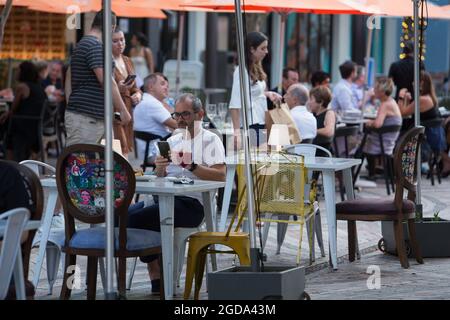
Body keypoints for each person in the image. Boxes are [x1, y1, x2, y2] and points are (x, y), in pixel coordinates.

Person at [128, 93, 226, 294]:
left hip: (194, 204)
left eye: (186, 114)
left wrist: (191, 165)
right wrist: (160, 167)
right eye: (177, 114)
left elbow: (221, 176)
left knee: (137, 219)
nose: (180, 119)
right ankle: (156, 271)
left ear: (200, 114)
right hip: (165, 197)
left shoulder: (210, 139)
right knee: (123, 216)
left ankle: (158, 276)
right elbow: (160, 177)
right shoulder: (173, 138)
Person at [64, 10, 130, 146]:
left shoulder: (82, 44)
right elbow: (107, 81)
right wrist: (123, 110)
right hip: (88, 119)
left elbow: (68, 77)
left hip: (88, 117)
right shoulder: (95, 46)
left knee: (90, 164)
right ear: (111, 27)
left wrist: (71, 104)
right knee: (81, 163)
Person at [229, 31, 282, 148]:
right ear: (252, 49)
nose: (266, 52)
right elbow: (235, 104)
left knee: (260, 161)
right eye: (263, 48)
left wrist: (267, 94)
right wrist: (237, 133)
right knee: (255, 162)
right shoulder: (241, 71)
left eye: (266, 48)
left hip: (260, 121)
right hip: (250, 125)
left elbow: (253, 94)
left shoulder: (256, 67)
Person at [0, 61, 46, 161]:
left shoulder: (22, 87)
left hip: (23, 126)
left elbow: (13, 109)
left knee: (6, 122)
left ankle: (8, 160)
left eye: (18, 70)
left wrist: (6, 115)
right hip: (35, 126)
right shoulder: (39, 87)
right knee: (6, 121)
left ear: (23, 72)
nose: (16, 72)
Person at [399, 71, 446, 163]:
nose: (412, 83)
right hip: (431, 137)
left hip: (424, 141)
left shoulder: (422, 99)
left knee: (393, 139)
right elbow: (408, 112)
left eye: (414, 81)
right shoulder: (429, 97)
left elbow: (402, 113)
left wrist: (401, 96)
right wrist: (407, 100)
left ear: (421, 83)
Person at [363, 77, 402, 178]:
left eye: (375, 88)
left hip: (382, 141)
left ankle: (371, 173)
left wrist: (369, 123)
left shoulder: (385, 105)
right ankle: (374, 171)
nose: (373, 90)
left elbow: (378, 124)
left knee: (358, 143)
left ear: (382, 91)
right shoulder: (391, 101)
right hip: (389, 140)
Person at [112, 27, 142, 157]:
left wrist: (138, 95)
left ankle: (122, 176)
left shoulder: (127, 60)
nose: (120, 43)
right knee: (120, 148)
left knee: (126, 149)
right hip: (115, 110)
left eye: (122, 39)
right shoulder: (106, 61)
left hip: (128, 109)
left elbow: (136, 87)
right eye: (115, 41)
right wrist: (117, 88)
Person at [133, 73, 177, 161]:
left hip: (147, 150)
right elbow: (176, 125)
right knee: (184, 133)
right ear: (151, 86)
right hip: (155, 152)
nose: (166, 88)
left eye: (167, 86)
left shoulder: (146, 100)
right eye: (162, 84)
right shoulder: (152, 103)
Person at [309, 86, 336, 156]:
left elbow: (329, 131)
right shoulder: (312, 114)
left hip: (322, 155)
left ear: (320, 102)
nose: (309, 102)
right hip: (310, 152)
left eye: (311, 99)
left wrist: (311, 131)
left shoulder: (329, 113)